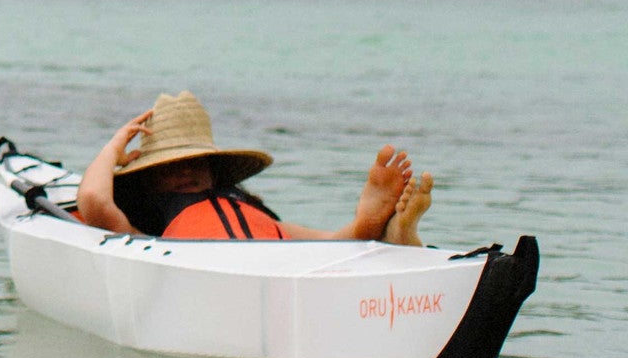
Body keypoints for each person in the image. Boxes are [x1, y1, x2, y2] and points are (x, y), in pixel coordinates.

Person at [71, 91, 434, 244]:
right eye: (172, 166)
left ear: (215, 173)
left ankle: (388, 230)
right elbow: (92, 198)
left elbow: (327, 243)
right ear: (149, 181)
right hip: (223, 270)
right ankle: (388, 235)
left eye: (197, 162)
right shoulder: (141, 231)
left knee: (345, 240)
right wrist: (114, 146)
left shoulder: (249, 212)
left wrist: (361, 228)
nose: (187, 172)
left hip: (274, 260)